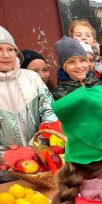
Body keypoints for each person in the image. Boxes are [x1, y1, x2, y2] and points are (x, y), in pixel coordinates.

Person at [0, 26, 57, 183]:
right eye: (0, 49)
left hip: (39, 161)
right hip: (4, 169)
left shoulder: (32, 78)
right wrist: (7, 156)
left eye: (10, 49)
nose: (5, 55)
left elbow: (49, 110)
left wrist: (39, 143)